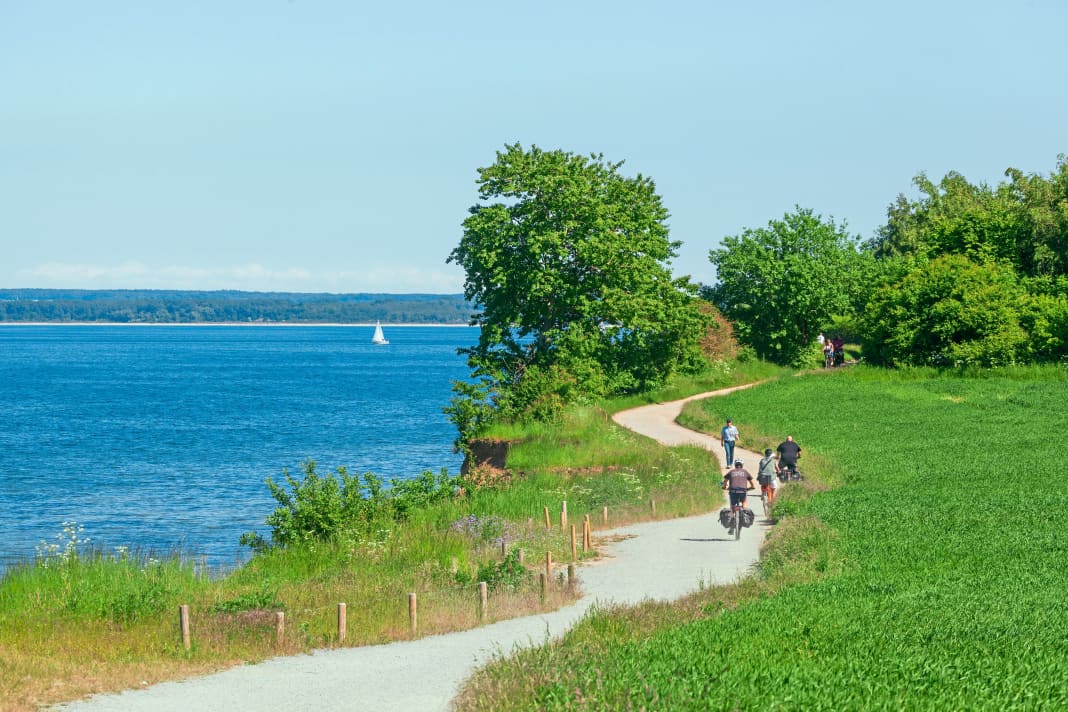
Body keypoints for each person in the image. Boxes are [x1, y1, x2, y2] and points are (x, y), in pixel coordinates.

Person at [721, 460, 754, 534]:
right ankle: (744, 513)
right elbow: (751, 481)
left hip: (733, 491)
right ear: (742, 465)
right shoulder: (745, 472)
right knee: (744, 502)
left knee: (732, 506)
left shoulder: (731, 472)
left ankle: (731, 525)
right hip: (743, 491)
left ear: (735, 465)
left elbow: (725, 480)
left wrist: (724, 487)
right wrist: (752, 487)